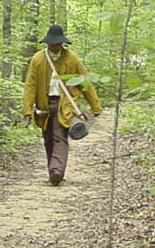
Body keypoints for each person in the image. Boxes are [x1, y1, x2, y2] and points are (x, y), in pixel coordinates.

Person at [22, 24, 102, 185]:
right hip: (43, 105)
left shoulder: (72, 58)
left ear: (62, 43)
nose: (55, 46)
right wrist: (27, 110)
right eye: (52, 44)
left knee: (60, 136)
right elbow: (30, 85)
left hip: (65, 104)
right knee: (48, 138)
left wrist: (95, 106)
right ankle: (53, 169)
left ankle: (56, 170)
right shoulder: (38, 59)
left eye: (57, 44)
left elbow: (84, 82)